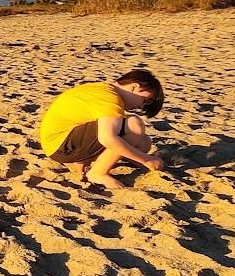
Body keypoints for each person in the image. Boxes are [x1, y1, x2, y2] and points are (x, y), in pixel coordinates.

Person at [37, 69, 165, 190]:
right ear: (134, 87)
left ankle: (81, 161)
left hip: (58, 144)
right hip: (61, 145)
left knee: (143, 142)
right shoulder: (110, 97)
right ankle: (98, 173)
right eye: (144, 100)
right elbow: (107, 138)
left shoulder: (102, 88)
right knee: (134, 125)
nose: (140, 106)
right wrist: (146, 159)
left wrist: (141, 156)